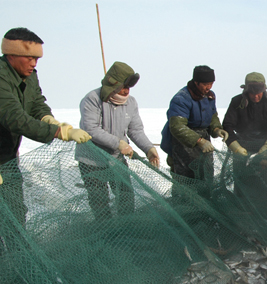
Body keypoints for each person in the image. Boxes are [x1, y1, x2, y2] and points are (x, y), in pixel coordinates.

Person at [0, 27, 91, 225]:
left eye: (37, 59)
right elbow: (14, 118)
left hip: (7, 159)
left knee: (15, 214)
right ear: (11, 55)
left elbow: (36, 104)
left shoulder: (30, 76)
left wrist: (50, 120)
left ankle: (16, 256)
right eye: (29, 58)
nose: (34, 63)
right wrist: (58, 132)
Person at [76, 61, 159, 220]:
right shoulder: (92, 99)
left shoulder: (131, 102)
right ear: (113, 84)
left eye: (129, 87)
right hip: (91, 160)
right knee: (99, 201)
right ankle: (106, 234)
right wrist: (119, 143)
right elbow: (91, 129)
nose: (126, 91)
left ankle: (126, 229)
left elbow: (135, 130)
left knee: (126, 196)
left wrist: (148, 148)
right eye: (123, 86)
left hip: (116, 159)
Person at [160, 65, 228, 182]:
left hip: (204, 141)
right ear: (196, 82)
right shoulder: (181, 98)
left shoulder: (210, 96)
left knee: (205, 175)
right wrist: (199, 141)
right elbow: (177, 127)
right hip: (183, 143)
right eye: (205, 84)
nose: (209, 87)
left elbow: (212, 115)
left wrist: (216, 129)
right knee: (185, 179)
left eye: (211, 83)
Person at [222, 72, 267, 204]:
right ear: (246, 91)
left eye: (259, 92)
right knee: (244, 184)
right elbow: (227, 125)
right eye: (252, 93)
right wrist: (236, 147)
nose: (256, 96)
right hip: (243, 148)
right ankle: (244, 210)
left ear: (264, 90)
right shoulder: (236, 102)